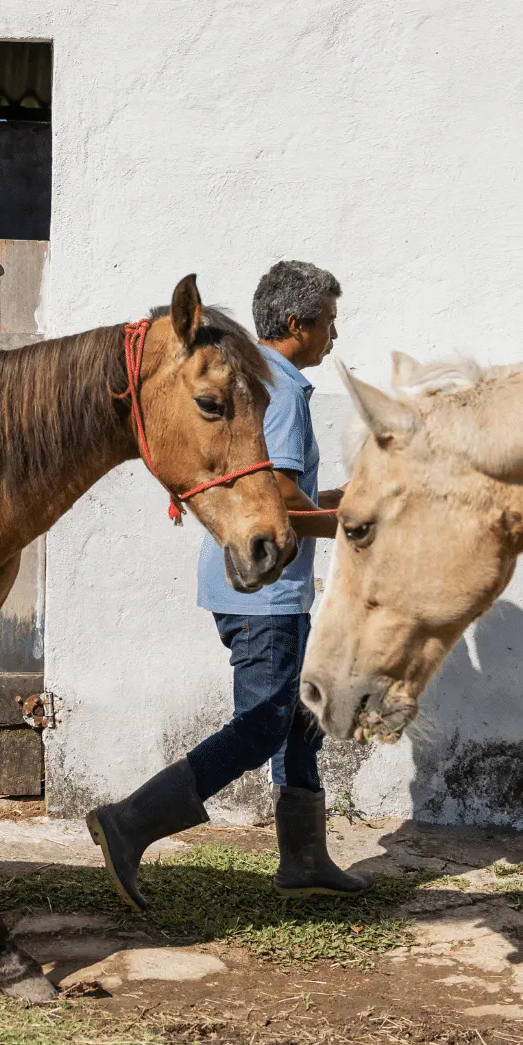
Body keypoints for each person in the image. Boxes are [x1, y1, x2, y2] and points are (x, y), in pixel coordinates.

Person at [87, 260, 371, 908]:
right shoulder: (287, 389)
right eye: (329, 322)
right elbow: (285, 503)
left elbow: (278, 492)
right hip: (263, 592)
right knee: (263, 725)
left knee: (299, 719)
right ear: (296, 323)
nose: (335, 336)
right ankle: (128, 823)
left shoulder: (256, 375)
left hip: (253, 589)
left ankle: (304, 859)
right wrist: (354, 527)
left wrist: (344, 500)